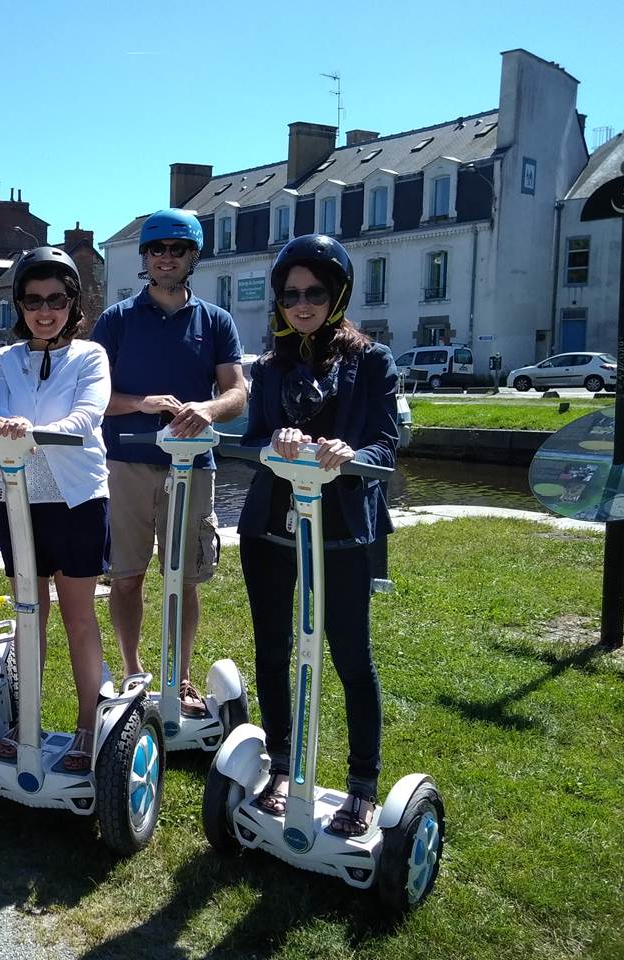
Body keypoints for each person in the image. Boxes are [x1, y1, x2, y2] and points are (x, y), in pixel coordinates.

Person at [238, 233, 399, 837]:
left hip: (341, 529)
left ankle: (361, 786)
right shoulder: (272, 367)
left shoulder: (372, 361)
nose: (300, 303)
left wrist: (350, 451)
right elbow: (252, 437)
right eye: (290, 294)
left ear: (337, 296)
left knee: (351, 656)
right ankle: (280, 766)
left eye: (314, 292)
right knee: (273, 650)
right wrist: (273, 442)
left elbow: (387, 447)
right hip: (272, 525)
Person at [91, 209, 247, 715]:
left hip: (193, 467)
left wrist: (208, 408)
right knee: (127, 575)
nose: (165, 258)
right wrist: (138, 404)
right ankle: (135, 673)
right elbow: (93, 397)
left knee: (184, 576)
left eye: (176, 249)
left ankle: (180, 679)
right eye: (157, 249)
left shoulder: (216, 321)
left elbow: (238, 392)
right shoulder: (115, 321)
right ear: (145, 257)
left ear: (192, 256)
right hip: (128, 464)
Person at [0, 248, 110, 771]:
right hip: (18, 500)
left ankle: (87, 725)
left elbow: (88, 415)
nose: (44, 310)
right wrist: (1, 432)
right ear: (20, 304)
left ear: (72, 303)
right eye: (33, 300)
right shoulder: (5, 360)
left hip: (76, 499)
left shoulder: (91, 356)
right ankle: (25, 722)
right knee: (27, 617)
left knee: (79, 617)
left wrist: (29, 432)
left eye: (56, 299)